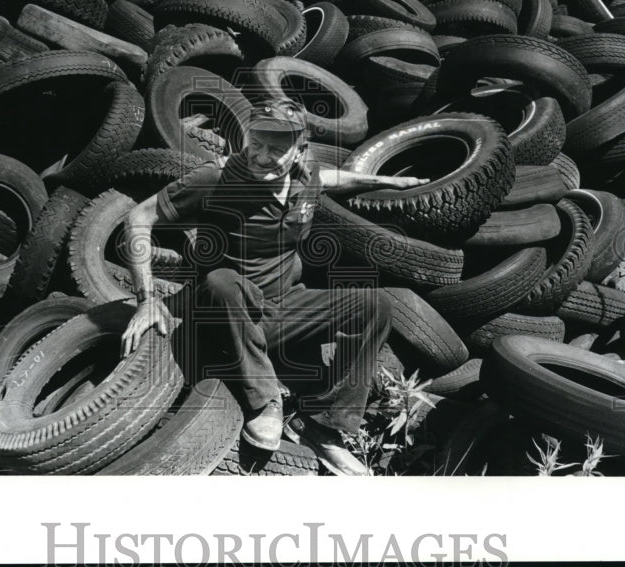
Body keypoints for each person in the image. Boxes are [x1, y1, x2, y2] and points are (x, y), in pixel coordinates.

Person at [119, 96, 428, 475]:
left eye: (276, 149)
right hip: (222, 313)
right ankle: (264, 401)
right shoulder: (216, 178)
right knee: (221, 280)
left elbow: (331, 177)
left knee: (374, 303)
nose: (262, 156)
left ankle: (322, 427)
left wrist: (381, 180)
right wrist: (146, 299)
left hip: (280, 308)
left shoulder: (306, 177)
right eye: (257, 144)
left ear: (299, 152)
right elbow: (139, 216)